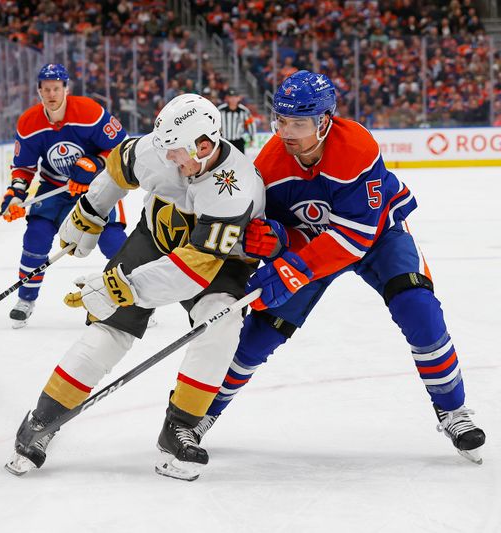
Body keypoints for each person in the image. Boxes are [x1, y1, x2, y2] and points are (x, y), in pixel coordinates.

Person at [195, 71, 486, 464]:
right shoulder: (269, 165)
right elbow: (279, 227)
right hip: (313, 245)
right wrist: (275, 239)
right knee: (260, 334)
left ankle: (452, 411)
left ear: (325, 121)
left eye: (298, 123)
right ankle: (197, 416)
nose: (286, 132)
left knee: (417, 307)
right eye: (280, 120)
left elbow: (356, 237)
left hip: (377, 237)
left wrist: (293, 269)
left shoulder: (356, 146)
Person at [4, 94, 266, 481]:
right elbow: (118, 167)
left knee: (220, 324)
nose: (169, 159)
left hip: (218, 262)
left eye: (176, 152)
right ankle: (44, 417)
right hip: (156, 237)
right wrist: (90, 212)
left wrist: (119, 286)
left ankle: (181, 425)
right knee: (110, 327)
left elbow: (194, 269)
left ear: (204, 145)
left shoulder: (237, 186)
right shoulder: (161, 149)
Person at [0, 63, 128, 328]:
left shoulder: (90, 112)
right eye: (46, 89)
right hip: (53, 187)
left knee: (112, 241)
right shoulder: (28, 122)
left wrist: (95, 165)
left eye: (56, 88)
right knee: (36, 236)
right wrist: (15, 196)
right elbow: (23, 167)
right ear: (39, 92)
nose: (52, 94)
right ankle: (26, 299)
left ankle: (136, 302)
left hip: (97, 187)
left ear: (66, 89)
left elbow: (121, 147)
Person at [217, 88, 256, 154]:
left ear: (239, 98)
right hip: (224, 142)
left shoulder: (244, 111)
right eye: (231, 97)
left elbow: (251, 125)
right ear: (227, 98)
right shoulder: (220, 110)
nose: (233, 99)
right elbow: (215, 123)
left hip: (238, 142)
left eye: (235, 97)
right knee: (224, 162)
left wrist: (251, 138)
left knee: (240, 162)